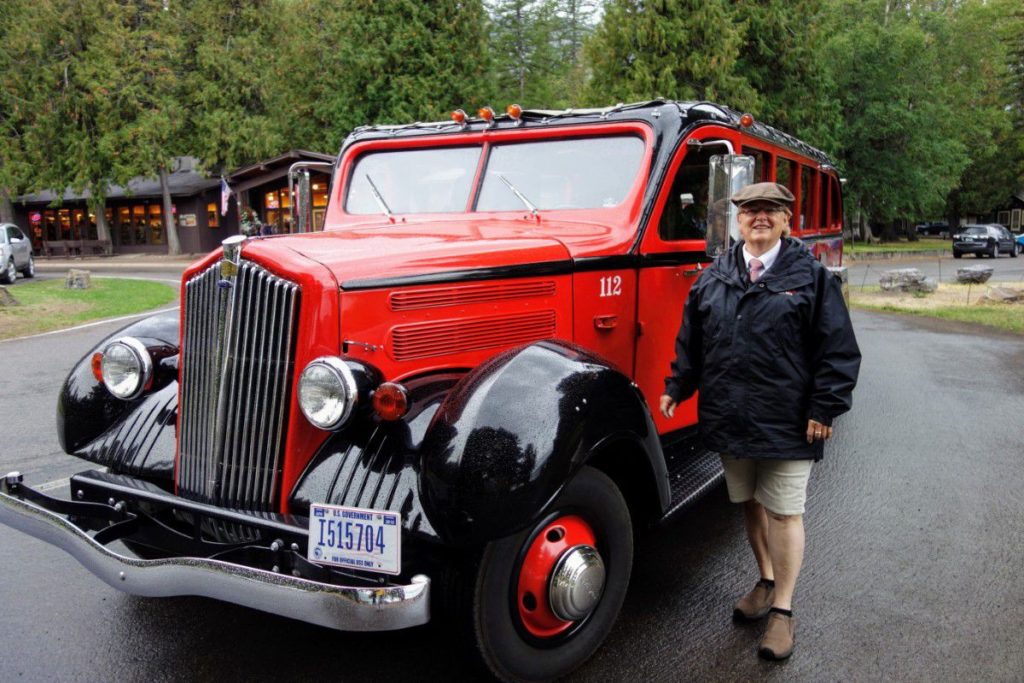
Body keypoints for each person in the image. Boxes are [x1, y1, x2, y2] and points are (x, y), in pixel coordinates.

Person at [659, 182, 861, 660]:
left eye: (771, 210)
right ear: (739, 220)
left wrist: (825, 406)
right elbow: (694, 340)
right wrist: (676, 386)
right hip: (732, 416)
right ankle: (766, 580)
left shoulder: (811, 278)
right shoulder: (715, 276)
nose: (760, 217)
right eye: (750, 210)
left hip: (789, 421)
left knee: (785, 512)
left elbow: (838, 349)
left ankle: (783, 613)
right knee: (749, 503)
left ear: (788, 221)